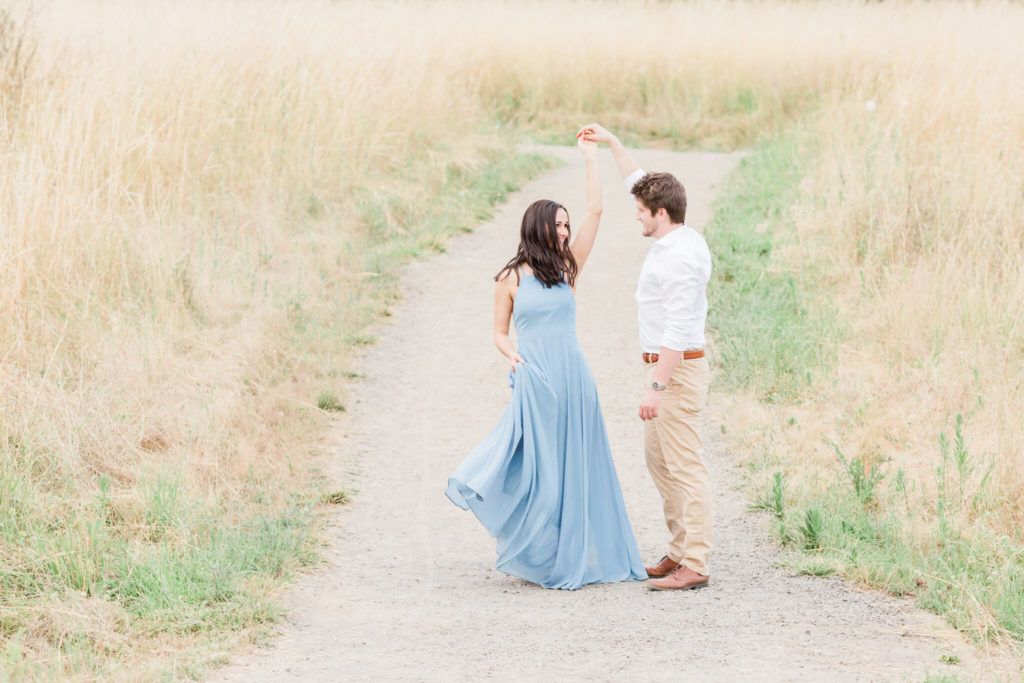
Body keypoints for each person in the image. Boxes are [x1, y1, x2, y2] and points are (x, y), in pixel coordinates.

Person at [445, 135, 647, 590]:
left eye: (566, 225)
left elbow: (597, 212)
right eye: (558, 225)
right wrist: (509, 352)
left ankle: (572, 551)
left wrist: (590, 159)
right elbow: (499, 332)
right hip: (534, 380)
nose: (564, 231)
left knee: (577, 464)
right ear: (538, 226)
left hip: (574, 379)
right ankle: (535, 547)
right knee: (538, 467)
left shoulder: (569, 267)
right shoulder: (510, 277)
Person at [577, 123, 714, 591]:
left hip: (676, 369)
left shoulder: (678, 257)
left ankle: (695, 562)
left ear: (661, 212)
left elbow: (677, 328)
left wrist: (656, 386)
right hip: (666, 366)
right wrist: (612, 143)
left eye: (640, 211)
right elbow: (635, 180)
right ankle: (678, 551)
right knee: (660, 463)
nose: (635, 216)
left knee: (684, 465)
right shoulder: (674, 236)